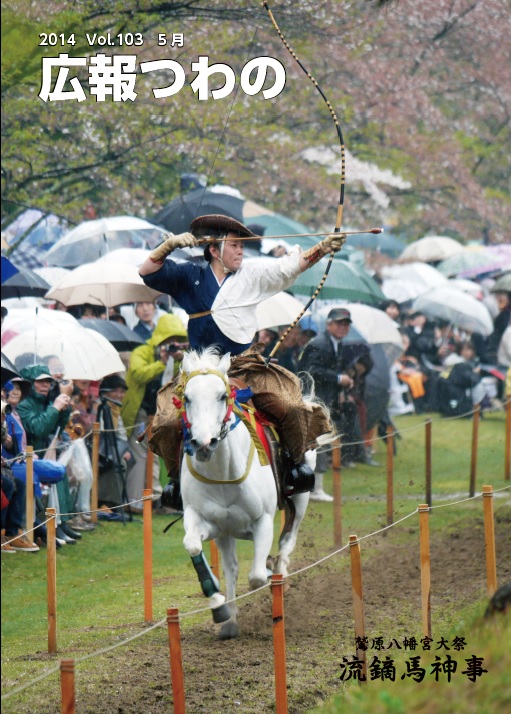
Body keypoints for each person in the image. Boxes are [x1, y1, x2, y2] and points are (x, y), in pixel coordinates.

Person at [138, 214, 344, 501]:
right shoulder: (190, 275)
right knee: (168, 422)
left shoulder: (251, 274)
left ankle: (294, 467)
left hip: (245, 367)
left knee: (291, 406)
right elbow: (147, 272)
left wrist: (321, 248)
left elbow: (287, 267)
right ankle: (176, 482)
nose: (240, 251)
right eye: (234, 245)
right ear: (214, 249)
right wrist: (169, 245)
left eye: (242, 246)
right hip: (201, 371)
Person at [121, 313, 189, 513]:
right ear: (160, 339)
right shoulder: (142, 351)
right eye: (168, 341)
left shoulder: (181, 359)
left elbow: (183, 381)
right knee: (141, 455)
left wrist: (180, 360)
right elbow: (138, 374)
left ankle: (158, 499)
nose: (172, 345)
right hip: (141, 412)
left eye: (177, 342)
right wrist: (160, 362)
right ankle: (135, 502)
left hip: (164, 414)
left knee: (162, 455)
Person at [96, 375, 133, 509]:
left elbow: (121, 433)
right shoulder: (100, 406)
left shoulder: (116, 409)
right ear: (106, 392)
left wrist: (124, 450)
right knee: (115, 461)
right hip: (99, 446)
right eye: (115, 391)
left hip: (111, 445)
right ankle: (104, 501)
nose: (119, 395)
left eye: (122, 391)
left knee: (128, 458)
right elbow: (100, 432)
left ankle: (114, 501)